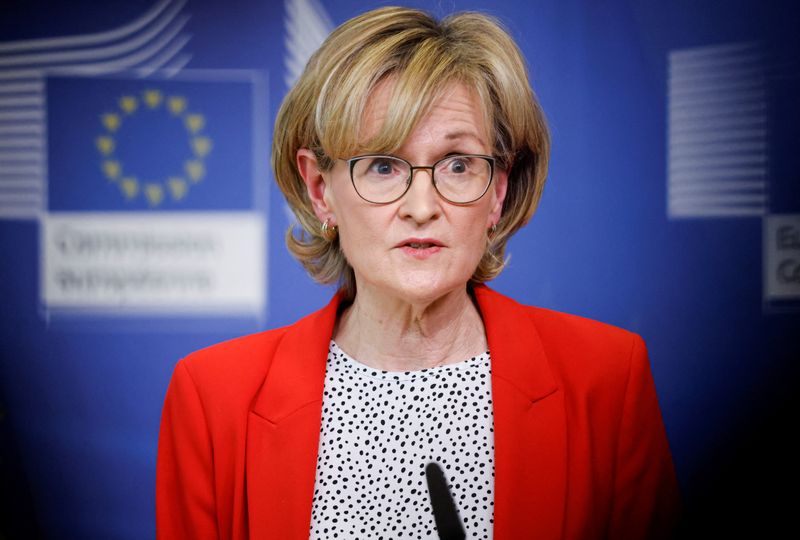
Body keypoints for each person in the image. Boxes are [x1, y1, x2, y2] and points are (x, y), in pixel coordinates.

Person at [156, 6, 680, 539]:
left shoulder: (607, 380)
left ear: (497, 190)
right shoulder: (213, 397)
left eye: (458, 164)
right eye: (383, 165)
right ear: (320, 189)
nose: (422, 206)